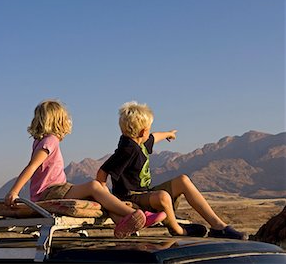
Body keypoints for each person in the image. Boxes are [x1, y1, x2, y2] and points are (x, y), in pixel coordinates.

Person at [4, 100, 166, 239]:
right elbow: (32, 166)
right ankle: (135, 215)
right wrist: (14, 192)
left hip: (55, 190)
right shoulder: (50, 140)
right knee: (95, 186)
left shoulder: (41, 141)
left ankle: (122, 222)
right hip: (50, 192)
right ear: (58, 121)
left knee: (98, 195)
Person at [96, 101, 247, 240]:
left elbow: (154, 137)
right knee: (163, 196)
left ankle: (219, 226)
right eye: (149, 129)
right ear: (142, 132)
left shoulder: (139, 142)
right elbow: (103, 172)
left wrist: (169, 134)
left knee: (183, 180)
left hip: (144, 194)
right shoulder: (127, 150)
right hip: (130, 198)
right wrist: (109, 200)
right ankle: (177, 229)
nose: (150, 132)